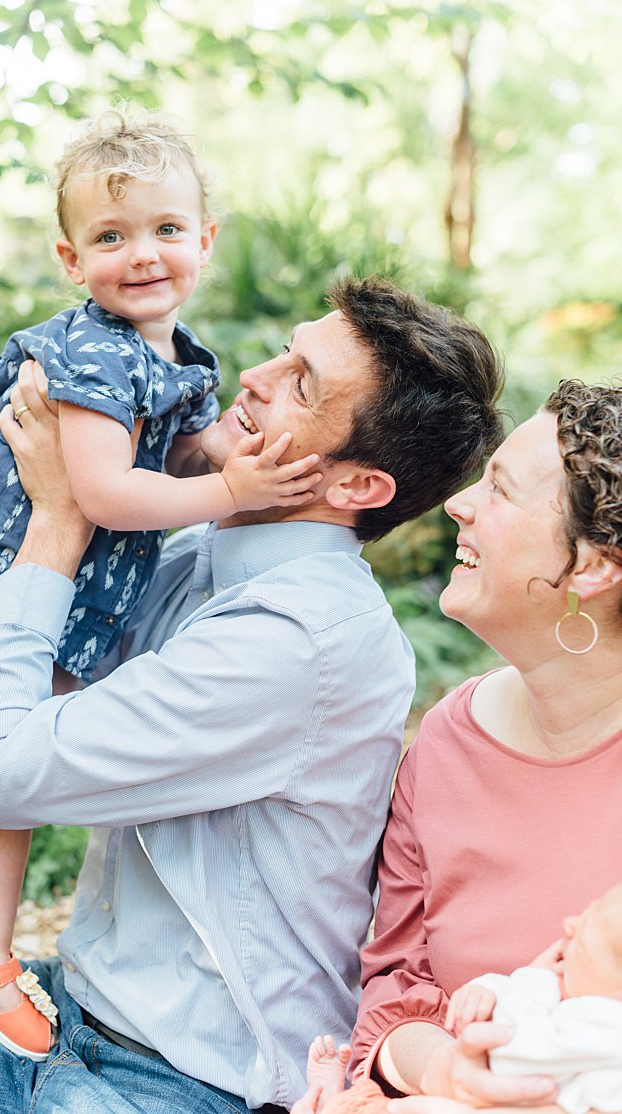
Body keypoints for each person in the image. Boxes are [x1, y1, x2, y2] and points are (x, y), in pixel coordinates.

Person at [0, 276, 505, 1113]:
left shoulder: (295, 639)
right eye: (286, 351)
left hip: (181, 1083)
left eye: (302, 385)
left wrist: (59, 518)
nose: (258, 377)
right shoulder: (202, 560)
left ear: (356, 487)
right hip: (81, 1012)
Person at [0, 106, 319, 1060]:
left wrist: (246, 451)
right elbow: (105, 492)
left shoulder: (177, 355)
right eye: (111, 237)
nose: (144, 254)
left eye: (167, 230)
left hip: (63, 602)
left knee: (15, 779)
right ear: (71, 260)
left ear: (204, 239)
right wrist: (228, 487)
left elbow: (185, 441)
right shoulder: (88, 351)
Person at [336, 380, 622, 1112]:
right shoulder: (447, 742)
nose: (459, 503)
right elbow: (396, 987)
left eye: (501, 490)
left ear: (589, 567)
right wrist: (444, 1074)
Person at [297, 881, 622, 1114]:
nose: (568, 924)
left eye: (581, 938)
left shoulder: (603, 1025)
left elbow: (508, 1053)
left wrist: (535, 978)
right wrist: (490, 990)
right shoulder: (580, 1008)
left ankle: (344, 1105)